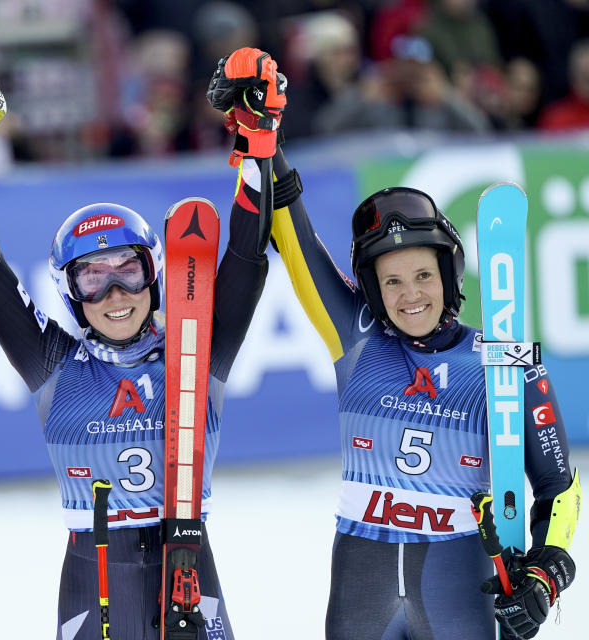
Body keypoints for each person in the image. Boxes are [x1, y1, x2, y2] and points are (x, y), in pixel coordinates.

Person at [206, 46, 581, 640]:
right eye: (393, 281)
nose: (412, 296)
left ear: (451, 277)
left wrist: (545, 574)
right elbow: (293, 236)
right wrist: (263, 137)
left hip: (460, 579)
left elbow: (558, 485)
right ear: (374, 292)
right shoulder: (356, 340)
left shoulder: (504, 359)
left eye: (424, 276)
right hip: (364, 574)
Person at [0, 56, 271, 639]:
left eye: (127, 270)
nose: (114, 293)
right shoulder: (54, 365)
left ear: (154, 276)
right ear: (69, 290)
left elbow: (244, 261)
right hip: (92, 575)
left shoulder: (195, 350)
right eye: (91, 277)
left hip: (189, 568)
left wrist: (258, 142)